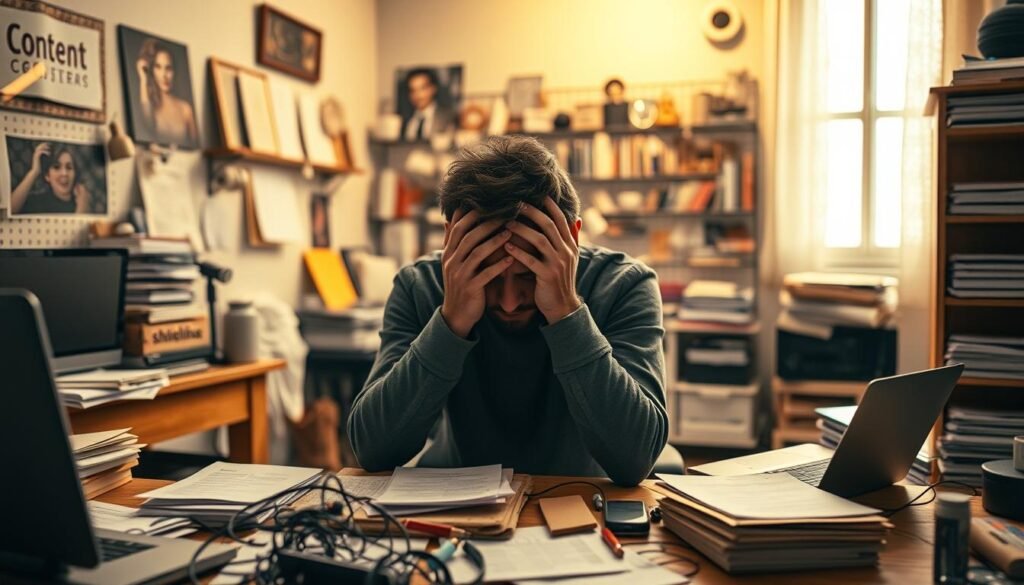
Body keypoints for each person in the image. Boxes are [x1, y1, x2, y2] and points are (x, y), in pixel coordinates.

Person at [347, 135, 668, 486]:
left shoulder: (624, 285)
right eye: (490, 277)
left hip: (578, 504)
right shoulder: (420, 285)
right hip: (453, 504)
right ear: (451, 239)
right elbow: (372, 450)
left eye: (529, 275)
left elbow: (635, 458)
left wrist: (566, 311)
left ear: (572, 240)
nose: (511, 301)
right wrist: (451, 321)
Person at [136, 38, 198, 146]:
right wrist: (143, 79)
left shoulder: (185, 109)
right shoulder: (150, 107)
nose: (164, 75)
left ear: (174, 71)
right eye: (158, 67)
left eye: (168, 68)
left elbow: (195, 147)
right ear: (152, 70)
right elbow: (147, 125)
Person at [11, 142, 92, 215]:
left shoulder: (83, 201)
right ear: (47, 176)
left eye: (69, 167)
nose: (64, 173)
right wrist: (34, 171)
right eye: (56, 167)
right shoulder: (36, 202)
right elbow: (9, 211)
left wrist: (82, 205)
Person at [401, 67, 456, 141]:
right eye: (413, 90)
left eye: (422, 88)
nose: (418, 95)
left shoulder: (448, 116)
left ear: (433, 88)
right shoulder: (405, 119)